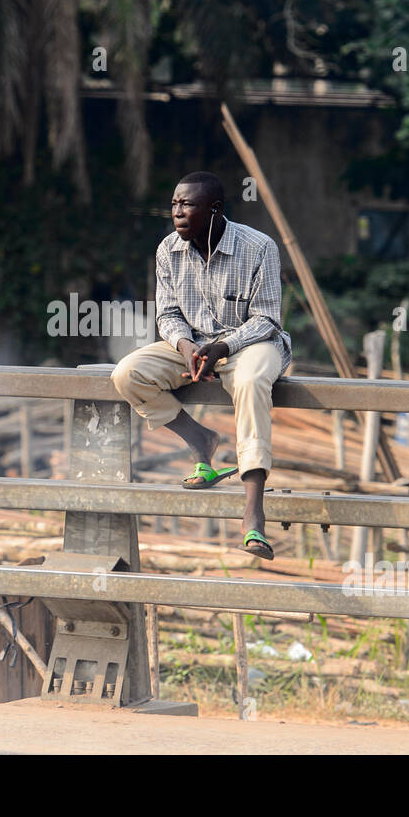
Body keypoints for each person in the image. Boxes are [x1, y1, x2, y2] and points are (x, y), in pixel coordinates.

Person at [111, 171, 291, 559]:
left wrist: (222, 347)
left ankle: (253, 512)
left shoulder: (259, 247)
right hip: (191, 346)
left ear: (215, 209)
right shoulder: (167, 250)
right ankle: (201, 441)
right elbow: (168, 315)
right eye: (175, 204)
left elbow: (267, 319)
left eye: (187, 204)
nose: (177, 212)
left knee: (250, 380)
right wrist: (186, 344)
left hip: (250, 344)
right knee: (127, 374)